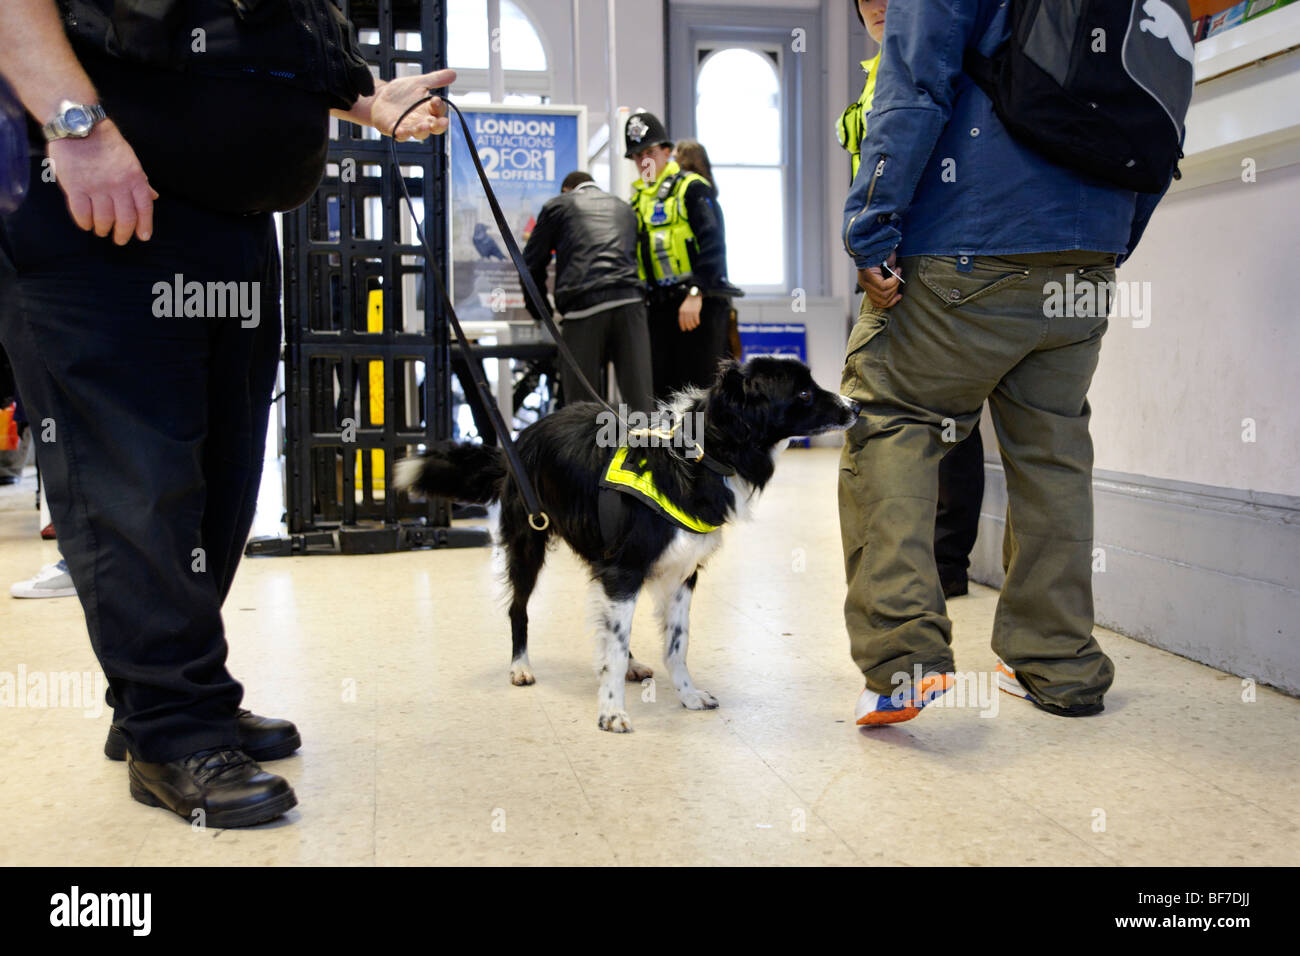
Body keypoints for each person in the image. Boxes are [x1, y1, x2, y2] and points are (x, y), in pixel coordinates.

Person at [0, 0, 454, 827]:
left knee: (222, 484)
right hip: (100, 199)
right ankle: (174, 730)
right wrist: (79, 128)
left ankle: (164, 698)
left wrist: (367, 99)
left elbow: (254, 39)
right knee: (138, 484)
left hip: (233, 225)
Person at [840, 0, 1173, 724]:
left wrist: (872, 222)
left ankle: (904, 662)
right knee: (1052, 449)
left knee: (894, 416)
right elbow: (1161, 98)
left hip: (968, 234)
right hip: (1086, 249)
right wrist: (1112, 237)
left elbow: (915, 80)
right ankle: (1060, 663)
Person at [837, 0, 983, 599]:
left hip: (933, 258)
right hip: (884, 260)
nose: (874, 6)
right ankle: (914, 566)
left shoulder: (936, 61)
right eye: (863, 0)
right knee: (903, 423)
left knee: (947, 422)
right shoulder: (876, 75)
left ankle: (942, 567)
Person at [624, 111, 741, 400]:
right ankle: (668, 447)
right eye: (637, 156)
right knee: (663, 392)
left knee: (699, 391)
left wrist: (695, 292)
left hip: (696, 304)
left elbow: (713, 243)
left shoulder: (692, 188)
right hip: (658, 308)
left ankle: (703, 447)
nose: (644, 162)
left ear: (667, 151)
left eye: (649, 152)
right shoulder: (638, 199)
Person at [522, 170, 654, 414]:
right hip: (631, 304)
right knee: (642, 406)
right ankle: (646, 453)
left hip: (583, 309)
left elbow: (529, 266)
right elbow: (645, 260)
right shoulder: (624, 207)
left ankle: (593, 453)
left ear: (566, 190)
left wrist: (543, 315)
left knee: (582, 412)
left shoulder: (557, 206)